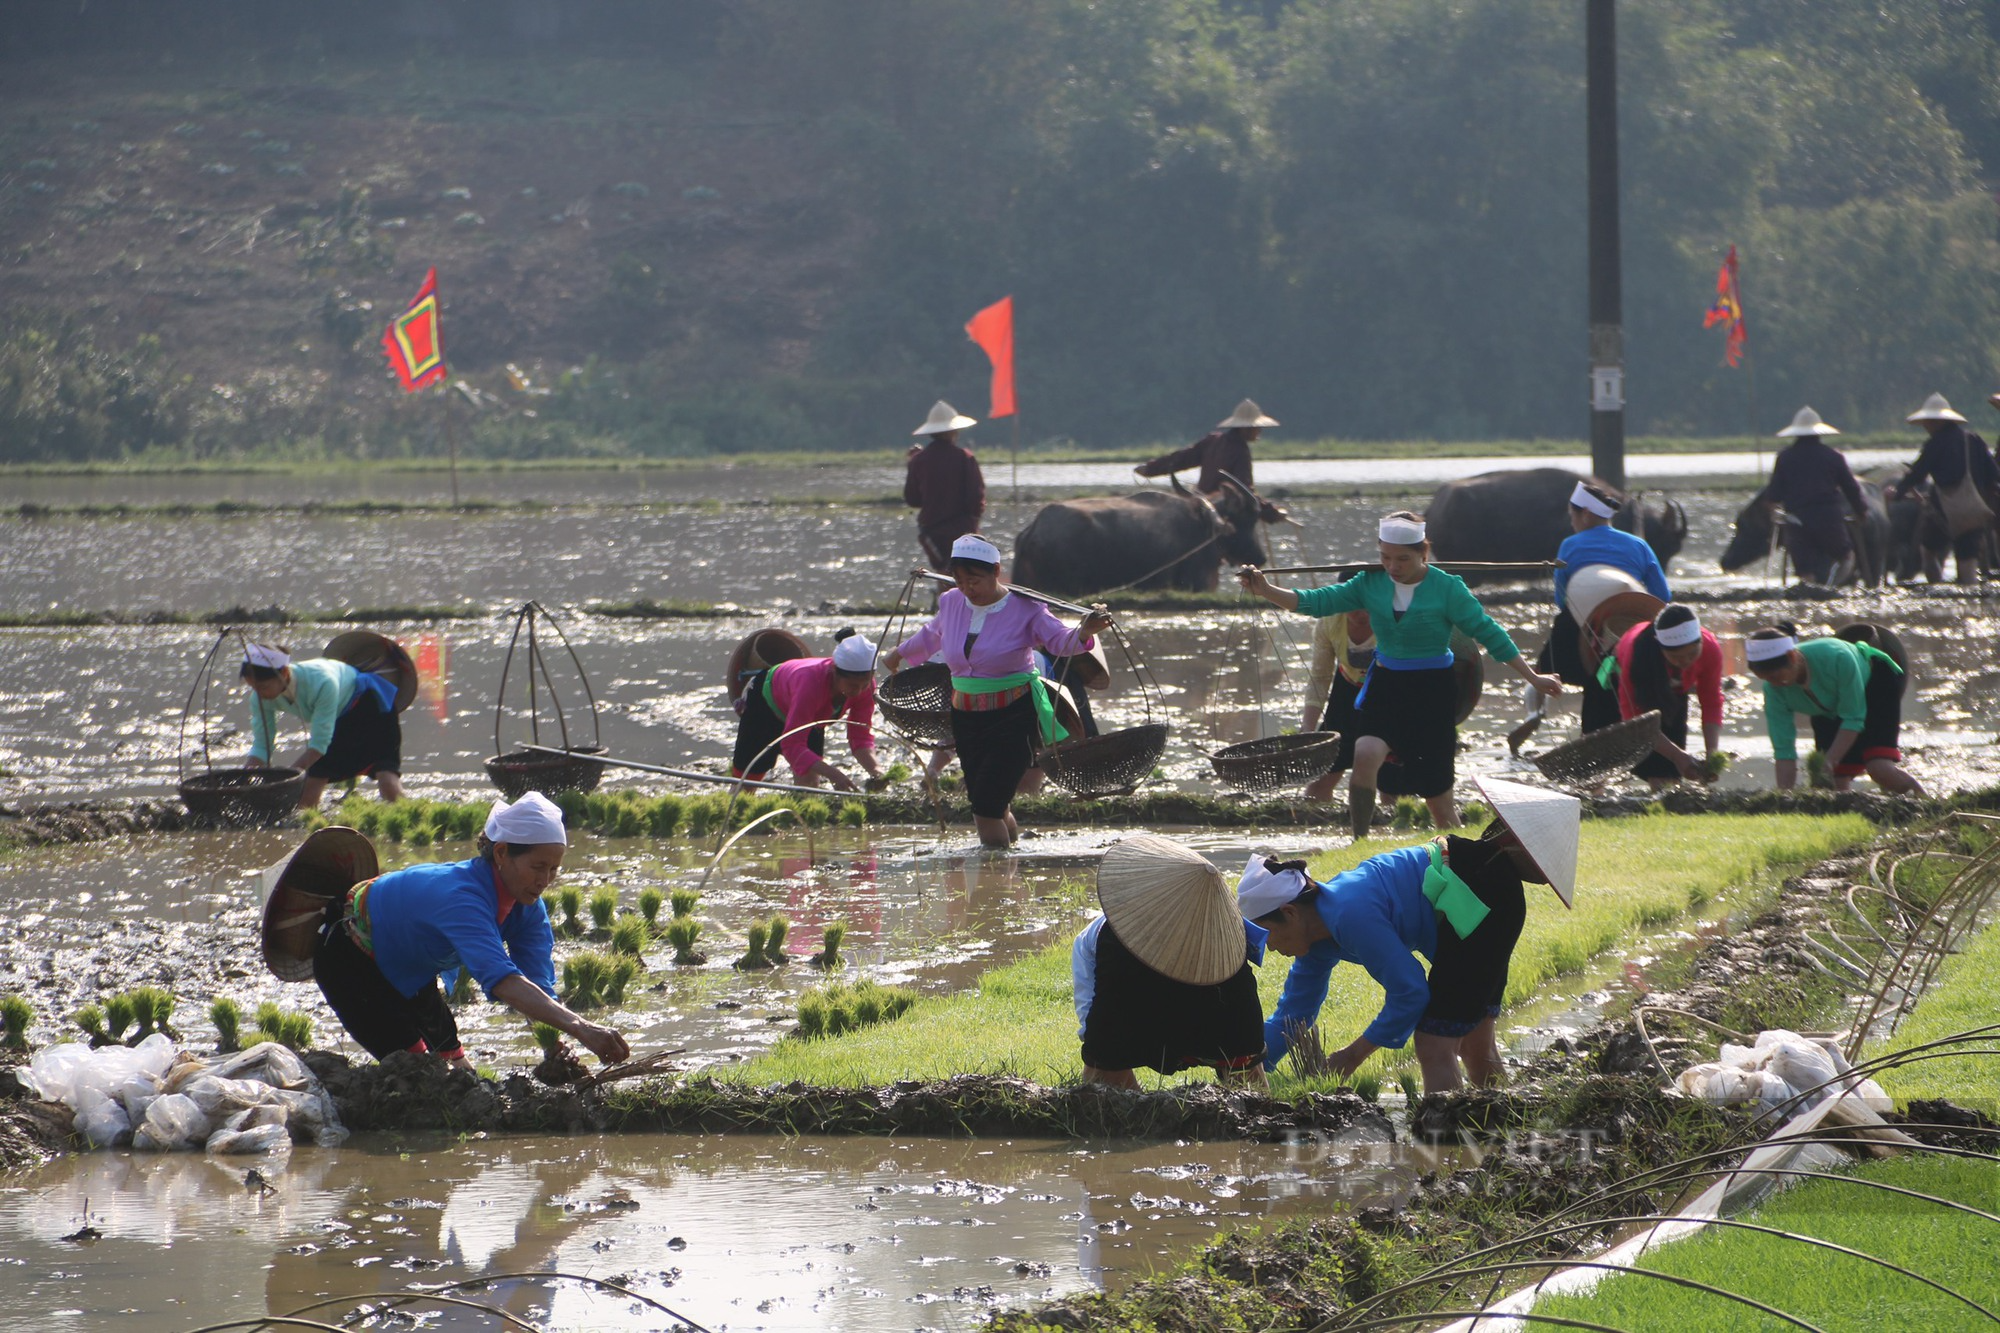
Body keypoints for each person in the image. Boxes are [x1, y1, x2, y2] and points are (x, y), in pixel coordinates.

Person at [1238, 776, 1578, 1095]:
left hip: (1480, 896)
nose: (1270, 949)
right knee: (1476, 1043)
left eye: (1267, 936)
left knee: (1433, 1045)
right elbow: (1292, 1016)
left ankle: (1446, 1149)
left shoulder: (1349, 913)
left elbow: (1411, 991)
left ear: (1290, 913)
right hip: (1482, 896)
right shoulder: (1315, 942)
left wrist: (1353, 1055)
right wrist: (1247, 1070)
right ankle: (1503, 1131)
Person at [1237, 512, 1563, 837]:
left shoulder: (1447, 588)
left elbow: (1489, 633)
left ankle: (1460, 851)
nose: (1393, 567)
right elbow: (1314, 602)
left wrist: (1534, 678)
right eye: (1386, 557)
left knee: (1438, 797)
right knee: (1364, 754)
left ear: (1423, 553)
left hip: (1433, 689)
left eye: (1403, 559)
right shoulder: (1369, 583)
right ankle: (1360, 839)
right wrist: (1265, 589)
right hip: (1386, 683)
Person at [313, 792, 631, 1070]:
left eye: (553, 869)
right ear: (502, 853)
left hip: (411, 967)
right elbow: (503, 979)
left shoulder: (529, 909)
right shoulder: (462, 898)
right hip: (350, 956)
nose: (545, 880)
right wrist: (582, 1027)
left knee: (458, 1068)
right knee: (417, 1071)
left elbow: (537, 984)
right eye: (537, 867)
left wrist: (551, 1045)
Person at [883, 534, 1113, 848]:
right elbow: (933, 634)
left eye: (974, 580)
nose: (967, 588)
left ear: (995, 570)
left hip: (1013, 715)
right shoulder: (952, 601)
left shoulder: (1026, 608)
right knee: (993, 800)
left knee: (985, 808)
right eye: (959, 580)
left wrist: (1084, 631)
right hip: (965, 716)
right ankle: (1011, 864)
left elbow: (1059, 639)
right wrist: (898, 654)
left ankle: (995, 884)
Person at [1072, 834, 1269, 1090]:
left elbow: (1245, 1064)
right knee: (1105, 1078)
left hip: (1212, 994)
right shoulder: (1104, 943)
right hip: (1131, 985)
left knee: (1246, 1082)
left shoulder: (1228, 954)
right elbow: (1104, 1058)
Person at [1545, 479, 1674, 737]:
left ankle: (1536, 711)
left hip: (1586, 628)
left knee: (1546, 668)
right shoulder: (1639, 545)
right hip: (1633, 625)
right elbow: (1662, 596)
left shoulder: (1570, 545)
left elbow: (1562, 599)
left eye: (1573, 516)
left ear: (1586, 514)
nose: (1572, 522)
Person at [1746, 624, 1923, 795]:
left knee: (1880, 769)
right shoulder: (1774, 690)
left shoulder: (1838, 657)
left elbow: (1853, 718)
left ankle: (1924, 801)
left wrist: (1830, 760)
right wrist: (1784, 796)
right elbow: (1784, 750)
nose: (1775, 684)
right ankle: (1846, 813)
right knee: (1833, 783)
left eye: (1776, 676)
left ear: (1792, 657)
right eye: (1766, 679)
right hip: (1826, 706)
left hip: (1874, 686)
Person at [240, 642, 405, 809]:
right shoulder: (259, 698)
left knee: (387, 779)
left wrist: (288, 778)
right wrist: (246, 777)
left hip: (370, 706)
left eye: (263, 687)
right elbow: (263, 746)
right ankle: (307, 826)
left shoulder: (321, 682)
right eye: (253, 687)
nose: (258, 693)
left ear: (283, 672)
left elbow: (319, 745)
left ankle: (410, 812)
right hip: (338, 717)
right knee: (308, 792)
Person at [731, 628, 885, 791]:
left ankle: (801, 816)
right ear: (834, 672)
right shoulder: (811, 684)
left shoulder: (866, 689)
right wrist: (834, 774)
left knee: (810, 783)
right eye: (853, 685)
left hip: (812, 717)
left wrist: (876, 770)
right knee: (747, 782)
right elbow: (792, 744)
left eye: (865, 684)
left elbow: (860, 737)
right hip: (765, 707)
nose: (859, 691)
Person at [1604, 605, 1725, 789]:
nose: (1685, 661)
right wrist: (1676, 755)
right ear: (1661, 649)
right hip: (1617, 685)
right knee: (1606, 763)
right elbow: (1635, 722)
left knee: (1668, 774)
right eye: (1675, 657)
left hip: (1673, 692)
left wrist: (1712, 753)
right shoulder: (1638, 656)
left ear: (1701, 641)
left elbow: (1711, 702)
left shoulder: (1710, 649)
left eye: (1692, 654)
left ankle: (1664, 806)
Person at [1892, 392, 1997, 585]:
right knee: (1968, 566)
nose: (1925, 426)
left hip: (1944, 513)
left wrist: (1897, 493)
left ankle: (1937, 588)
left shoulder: (1935, 444)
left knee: (1928, 552)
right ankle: (1970, 601)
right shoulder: (1974, 440)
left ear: (1936, 422)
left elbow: (1917, 474)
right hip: (1974, 513)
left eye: (1928, 422)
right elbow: (1994, 475)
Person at [1758, 407, 1868, 586]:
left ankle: (1809, 592)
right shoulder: (1834, 457)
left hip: (1797, 521)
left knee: (1805, 571)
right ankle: (1834, 587)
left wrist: (1774, 513)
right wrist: (1861, 511)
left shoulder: (1785, 458)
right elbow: (1852, 489)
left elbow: (1773, 496)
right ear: (1819, 433)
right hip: (1828, 519)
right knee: (1847, 556)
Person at [1301, 604, 1375, 802]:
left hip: (1389, 689)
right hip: (1347, 687)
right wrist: (1307, 728)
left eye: (1368, 606)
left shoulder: (1393, 615)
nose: (1363, 614)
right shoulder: (1330, 620)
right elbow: (1320, 676)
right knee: (1319, 781)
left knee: (1388, 779)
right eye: (1355, 607)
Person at [904, 400, 987, 570]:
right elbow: (976, 499)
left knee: (943, 573)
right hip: (964, 532)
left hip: (932, 533)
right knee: (968, 575)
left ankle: (944, 595)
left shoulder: (918, 460)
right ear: (954, 431)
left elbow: (913, 499)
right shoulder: (965, 458)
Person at [1135, 399, 1277, 496]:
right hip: (1222, 509)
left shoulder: (1213, 441)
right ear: (1245, 429)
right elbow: (1245, 490)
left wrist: (1150, 468)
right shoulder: (1241, 451)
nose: (1259, 431)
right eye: (1257, 427)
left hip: (1201, 504)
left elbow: (1181, 458)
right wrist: (1271, 512)